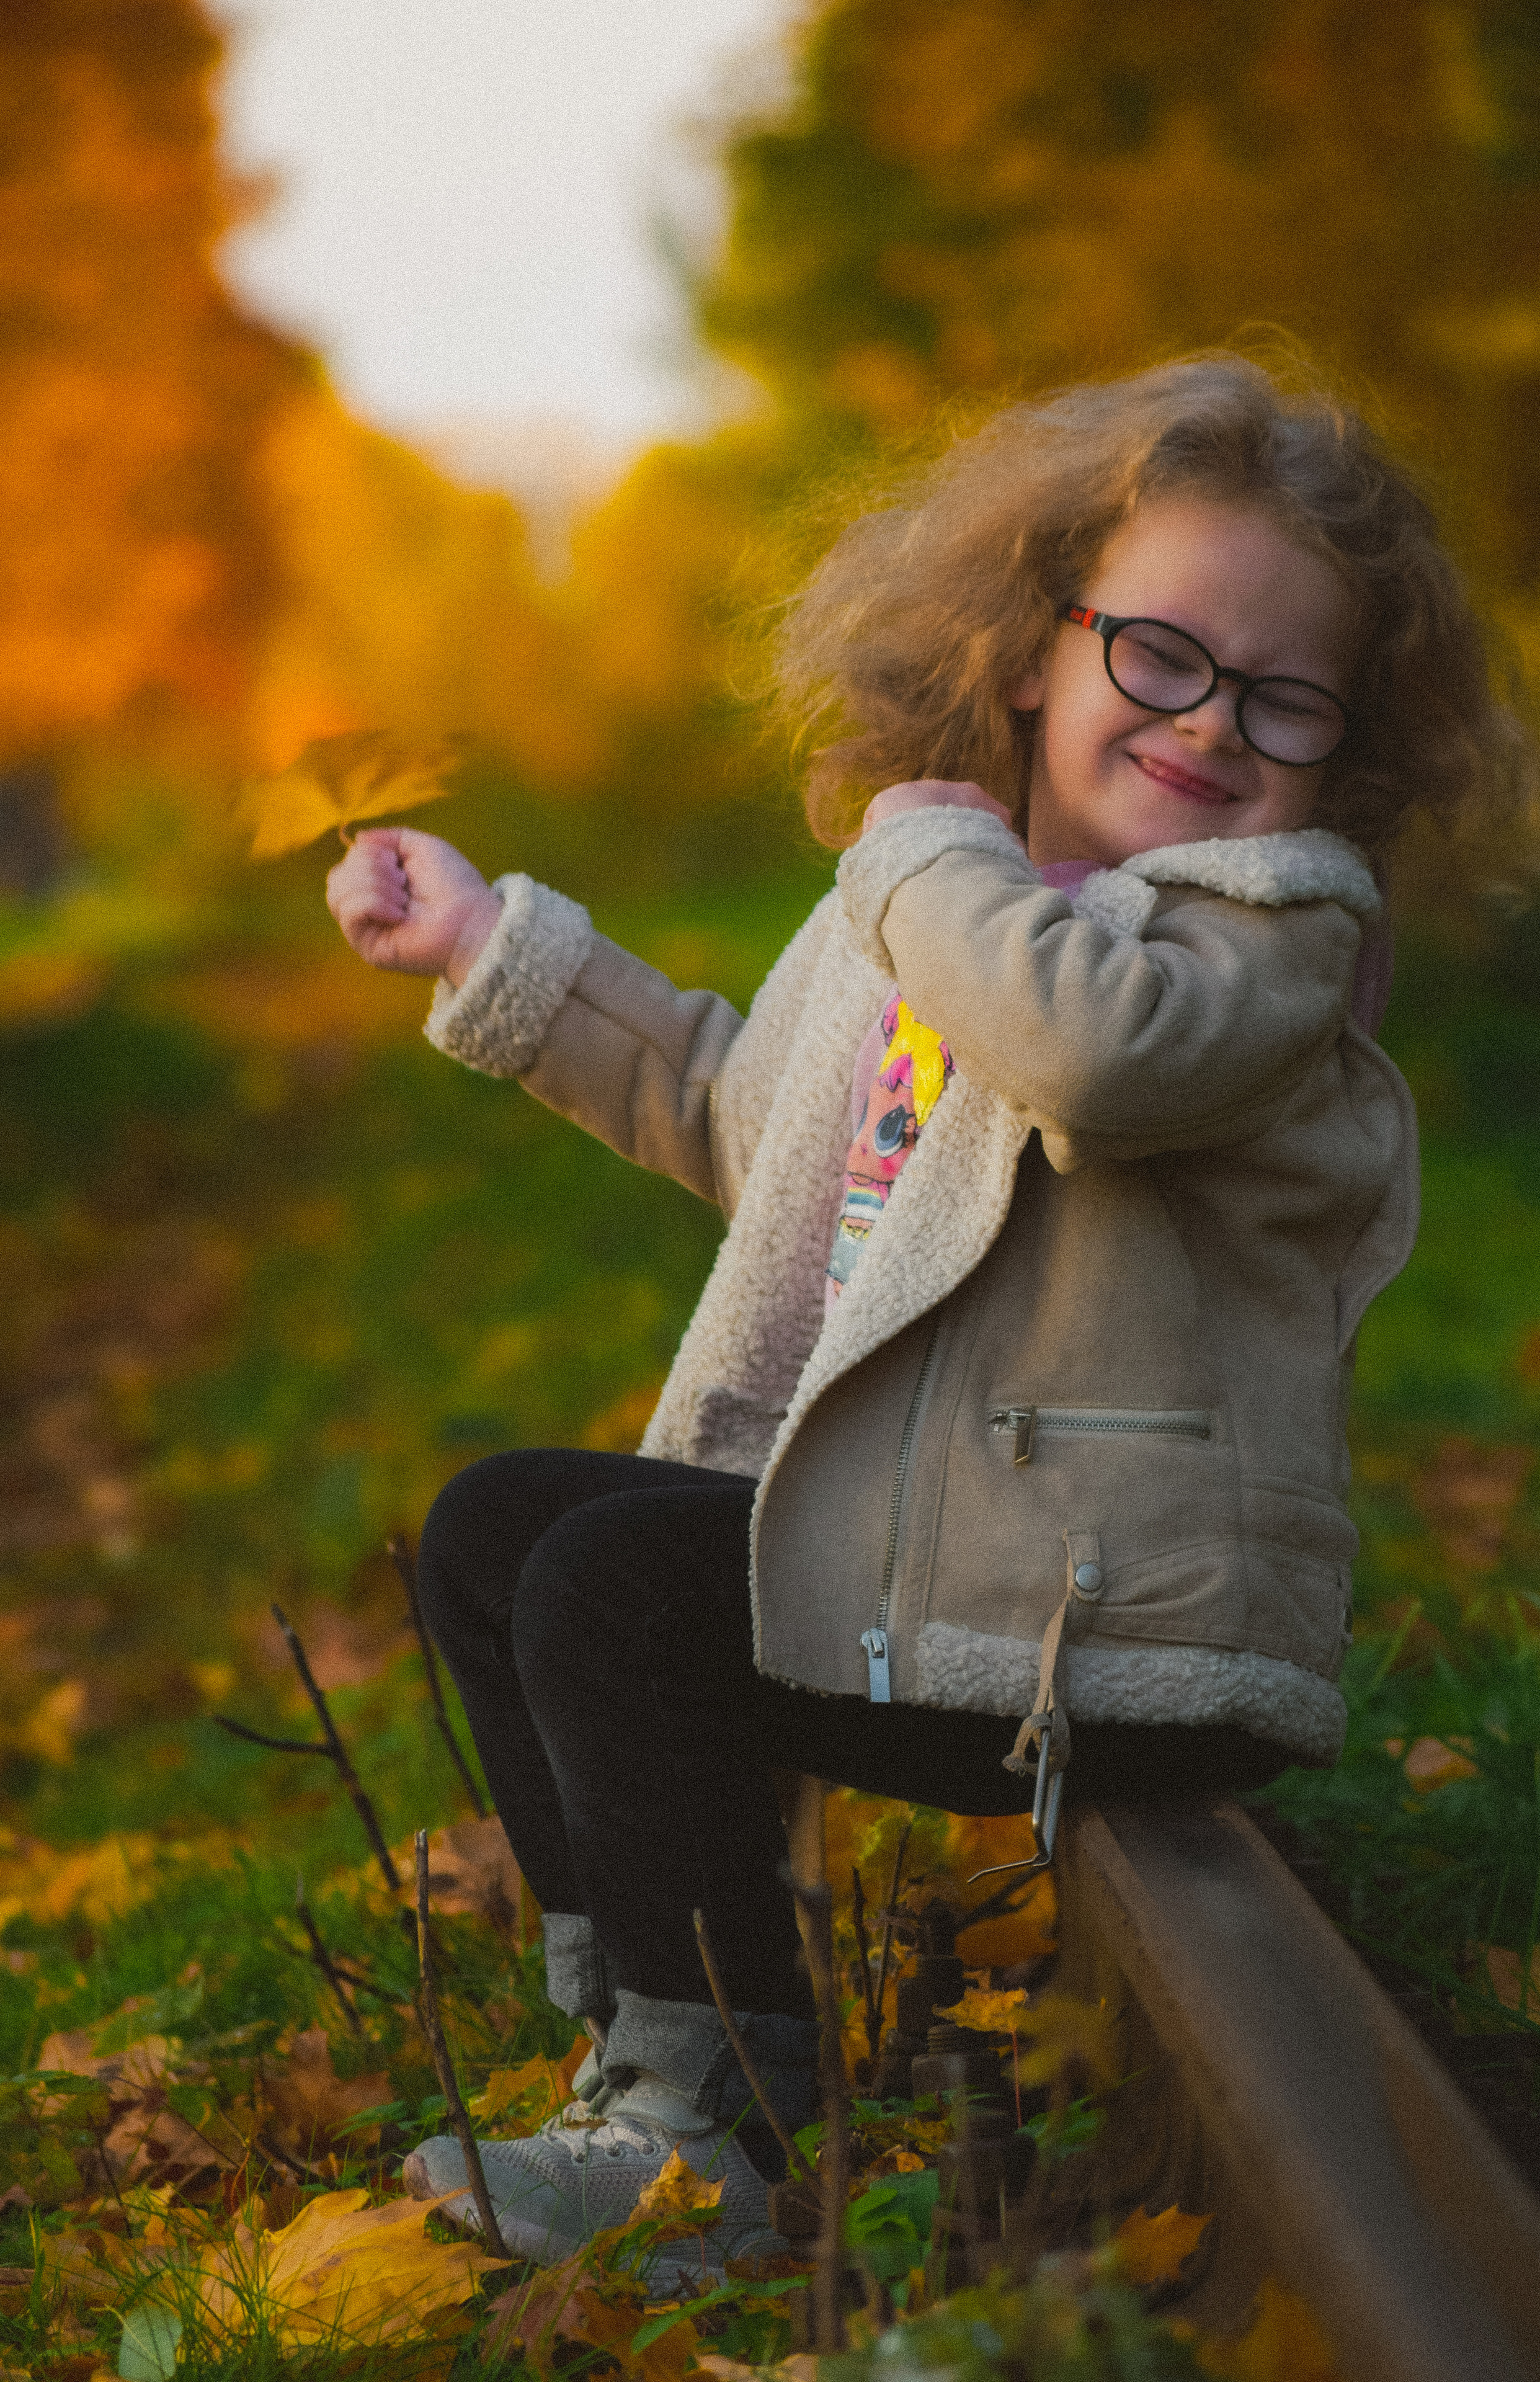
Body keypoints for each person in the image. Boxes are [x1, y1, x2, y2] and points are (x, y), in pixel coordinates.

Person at [325, 355, 1528, 2262]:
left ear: (1343, 751)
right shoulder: (937, 905)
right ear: (1034, 643)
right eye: (1161, 654)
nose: (1209, 723)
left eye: (1282, 697)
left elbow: (1091, 1047)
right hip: (952, 1569)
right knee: (498, 1532)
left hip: (1109, 1628)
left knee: (622, 1592)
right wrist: (494, 947)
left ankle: (707, 2133)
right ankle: (640, 2019)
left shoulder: (1267, 935)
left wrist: (918, 850)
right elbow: (752, 1125)